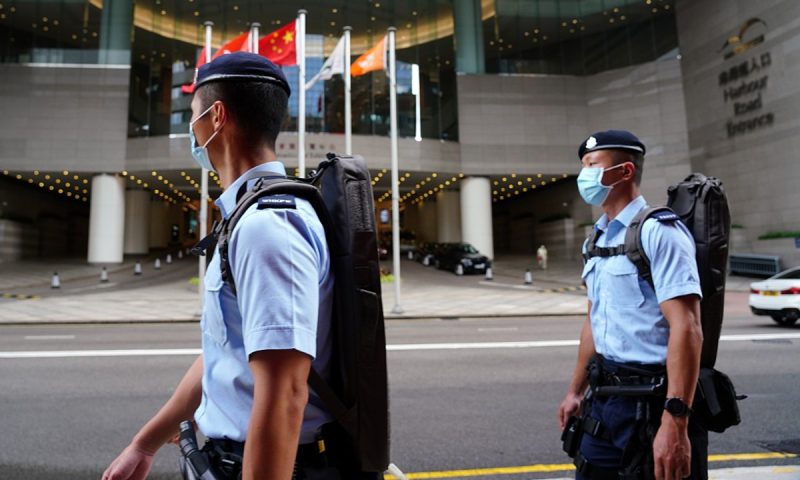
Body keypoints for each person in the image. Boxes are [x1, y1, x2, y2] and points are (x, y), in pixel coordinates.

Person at [102, 52, 336, 480]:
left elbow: (285, 392)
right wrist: (145, 443)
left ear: (216, 117)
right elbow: (225, 351)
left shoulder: (270, 226)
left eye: (192, 117)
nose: (191, 131)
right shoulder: (247, 218)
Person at [558, 130, 707, 480]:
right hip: (605, 399)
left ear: (625, 172)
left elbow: (687, 327)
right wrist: (574, 392)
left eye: (593, 165)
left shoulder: (659, 232)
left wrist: (676, 419)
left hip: (651, 402)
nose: (585, 176)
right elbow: (593, 321)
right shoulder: (595, 240)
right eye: (583, 166)